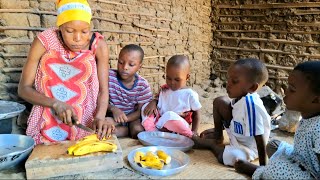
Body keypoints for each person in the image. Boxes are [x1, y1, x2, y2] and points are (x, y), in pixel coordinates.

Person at [18, 0, 114, 144]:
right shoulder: (45, 41)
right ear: (60, 27)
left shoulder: (98, 45)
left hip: (84, 122)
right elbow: (23, 89)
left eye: (84, 31)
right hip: (47, 120)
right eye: (70, 31)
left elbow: (103, 90)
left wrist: (100, 117)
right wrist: (55, 104)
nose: (78, 38)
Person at [234, 61, 320, 179]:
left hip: (312, 174)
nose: (286, 92)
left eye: (292, 90)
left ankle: (259, 171)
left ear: (316, 100)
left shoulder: (318, 129)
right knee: (274, 145)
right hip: (300, 159)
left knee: (277, 170)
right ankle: (271, 169)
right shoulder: (308, 116)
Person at [192, 58, 271, 167]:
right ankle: (218, 136)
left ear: (252, 87)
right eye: (228, 79)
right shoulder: (241, 97)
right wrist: (221, 129)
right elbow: (236, 115)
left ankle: (212, 145)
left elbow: (260, 139)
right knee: (220, 101)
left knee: (230, 157)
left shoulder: (251, 105)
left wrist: (262, 169)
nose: (228, 84)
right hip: (237, 133)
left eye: (234, 81)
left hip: (248, 148)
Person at [142, 55, 202, 137]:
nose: (172, 82)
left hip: (177, 124)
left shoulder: (190, 94)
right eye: (168, 78)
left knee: (169, 115)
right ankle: (152, 130)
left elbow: (197, 114)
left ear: (187, 77)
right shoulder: (165, 89)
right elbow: (158, 100)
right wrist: (153, 102)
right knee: (145, 107)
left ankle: (189, 135)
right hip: (161, 122)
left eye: (177, 80)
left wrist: (194, 131)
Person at [106, 44, 153, 138]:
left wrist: (124, 119)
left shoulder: (142, 85)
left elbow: (141, 111)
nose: (125, 67)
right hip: (112, 116)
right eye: (121, 62)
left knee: (137, 130)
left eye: (131, 64)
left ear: (140, 66)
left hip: (132, 118)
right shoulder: (109, 77)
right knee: (105, 127)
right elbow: (99, 98)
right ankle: (125, 131)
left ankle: (128, 131)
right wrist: (113, 109)